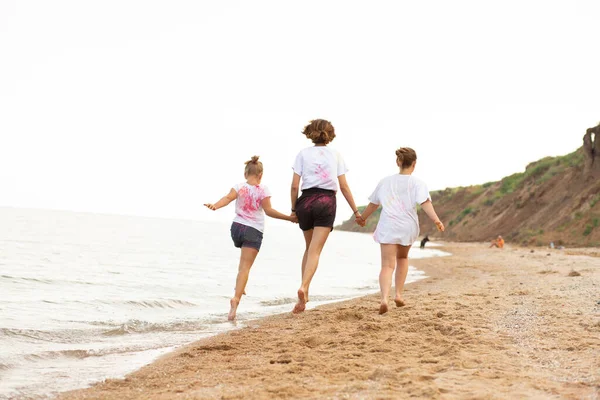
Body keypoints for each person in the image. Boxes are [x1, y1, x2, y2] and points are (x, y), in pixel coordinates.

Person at [204, 156, 297, 321]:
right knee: (245, 268)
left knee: (242, 267)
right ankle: (235, 300)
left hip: (237, 229)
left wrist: (215, 206)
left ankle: (241, 286)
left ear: (245, 173)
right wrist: (289, 218)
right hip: (253, 230)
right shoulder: (264, 190)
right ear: (260, 175)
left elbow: (227, 198)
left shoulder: (239, 186)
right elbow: (269, 211)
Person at [356, 147, 444, 315]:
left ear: (398, 162)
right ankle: (398, 295)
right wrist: (436, 220)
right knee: (402, 258)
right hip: (408, 226)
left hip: (388, 225)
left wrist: (363, 218)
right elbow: (425, 203)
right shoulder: (418, 183)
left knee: (387, 266)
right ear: (414, 164)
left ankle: (384, 299)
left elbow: (374, 204)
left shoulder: (385, 182)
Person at [290, 119, 361, 314]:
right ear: (330, 134)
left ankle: (302, 298)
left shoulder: (302, 154)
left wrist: (294, 209)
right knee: (315, 251)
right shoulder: (336, 155)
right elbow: (344, 186)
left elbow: (295, 185)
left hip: (306, 200)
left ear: (310, 133)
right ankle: (304, 287)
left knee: (308, 248)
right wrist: (356, 211)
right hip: (326, 201)